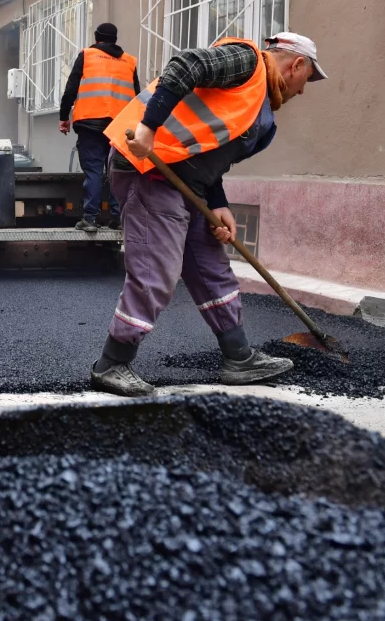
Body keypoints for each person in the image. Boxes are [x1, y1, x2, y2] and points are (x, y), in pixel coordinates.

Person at [89, 32, 328, 397]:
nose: (304, 90)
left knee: (211, 266)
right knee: (158, 269)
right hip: (150, 169)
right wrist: (147, 130)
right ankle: (112, 363)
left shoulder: (258, 106)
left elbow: (210, 153)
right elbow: (185, 65)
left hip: (188, 181)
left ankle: (239, 357)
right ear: (296, 64)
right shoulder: (246, 63)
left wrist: (219, 204)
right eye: (307, 78)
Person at [59, 23, 139, 231]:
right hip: (120, 127)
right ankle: (117, 218)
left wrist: (63, 117)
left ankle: (90, 219)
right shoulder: (129, 62)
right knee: (115, 171)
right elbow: (138, 98)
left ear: (96, 38)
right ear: (115, 39)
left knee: (94, 170)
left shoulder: (87, 55)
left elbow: (70, 89)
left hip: (90, 122)